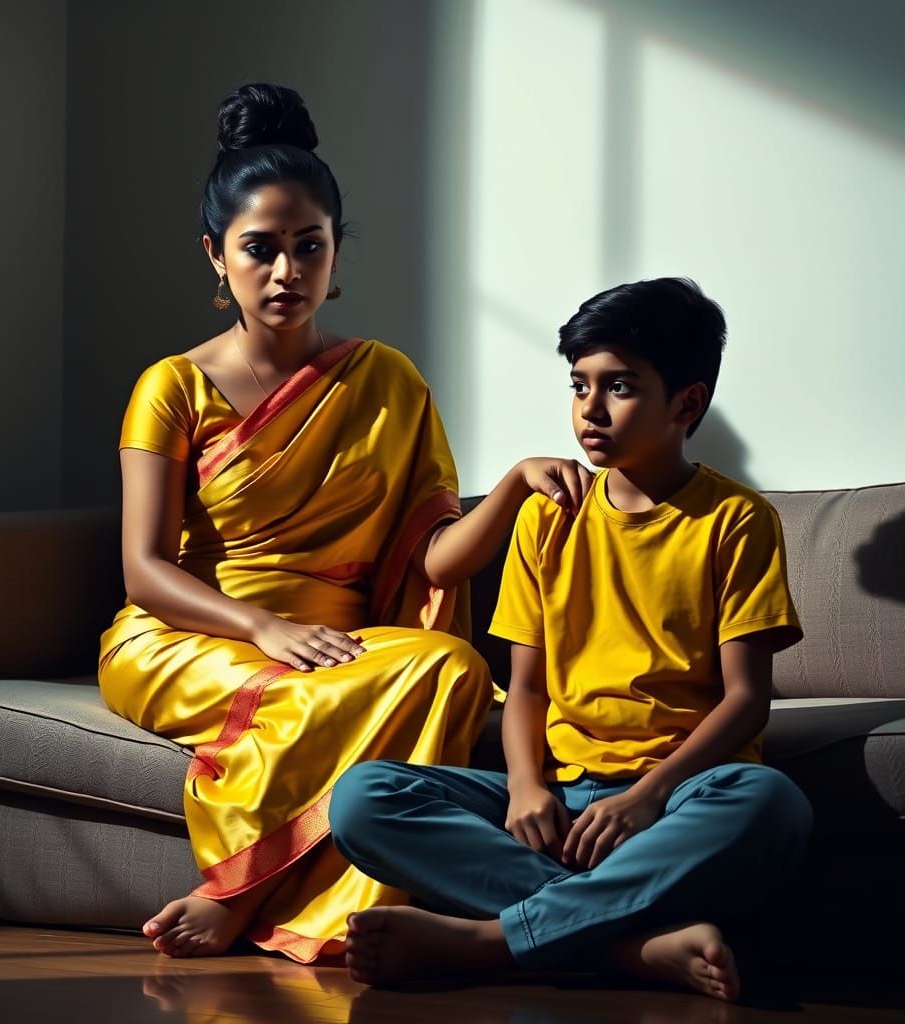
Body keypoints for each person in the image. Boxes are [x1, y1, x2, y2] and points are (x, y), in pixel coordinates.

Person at [97, 82, 592, 963]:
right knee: (340, 684)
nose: (286, 271)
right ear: (216, 256)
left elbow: (435, 560)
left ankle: (276, 900)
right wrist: (265, 626)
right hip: (189, 634)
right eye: (260, 249)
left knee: (448, 663)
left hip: (342, 645)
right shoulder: (171, 386)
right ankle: (242, 895)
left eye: (307, 247)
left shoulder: (390, 382)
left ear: (334, 253)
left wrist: (514, 485)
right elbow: (142, 570)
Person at [329, 278, 813, 1001]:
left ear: (687, 403)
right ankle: (627, 946)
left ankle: (494, 943)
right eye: (578, 385)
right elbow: (526, 687)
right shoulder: (546, 517)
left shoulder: (737, 522)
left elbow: (746, 702)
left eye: (619, 387)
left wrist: (648, 797)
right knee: (364, 797)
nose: (590, 409)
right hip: (564, 796)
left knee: (772, 803)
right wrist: (526, 787)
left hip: (678, 796)